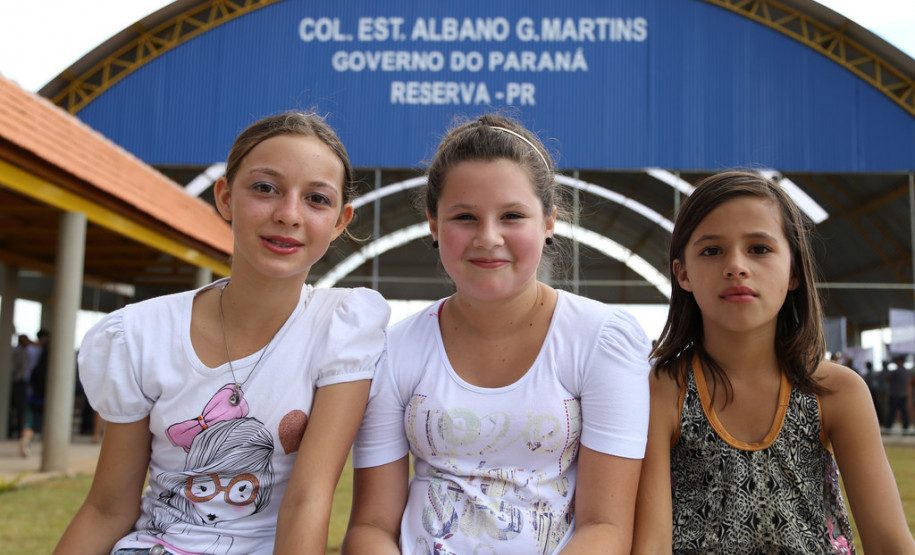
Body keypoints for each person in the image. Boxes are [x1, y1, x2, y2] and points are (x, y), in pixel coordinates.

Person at [54, 111, 390, 555]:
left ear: (340, 221)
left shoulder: (341, 327)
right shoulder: (139, 333)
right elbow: (107, 507)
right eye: (265, 188)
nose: (288, 214)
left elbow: (307, 500)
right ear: (225, 197)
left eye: (316, 199)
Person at [344, 114, 652, 554]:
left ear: (548, 222)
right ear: (433, 224)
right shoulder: (394, 350)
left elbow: (606, 527)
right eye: (465, 217)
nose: (488, 238)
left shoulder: (601, 340)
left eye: (512, 216)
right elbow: (372, 527)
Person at [631, 171, 915, 553]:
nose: (736, 266)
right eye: (711, 251)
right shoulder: (661, 389)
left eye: (759, 249)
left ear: (795, 270)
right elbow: (650, 547)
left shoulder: (838, 390)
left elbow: (891, 544)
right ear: (682, 274)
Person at [19, 329, 49, 456]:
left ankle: (25, 439)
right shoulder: (43, 355)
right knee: (41, 423)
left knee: (30, 421)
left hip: (32, 392)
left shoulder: (31, 351)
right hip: (45, 396)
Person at [886, 354, 912, 433]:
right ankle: (906, 426)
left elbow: (888, 379)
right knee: (903, 411)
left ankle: (889, 427)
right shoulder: (906, 371)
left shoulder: (897, 371)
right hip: (903, 394)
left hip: (896, 394)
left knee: (892, 412)